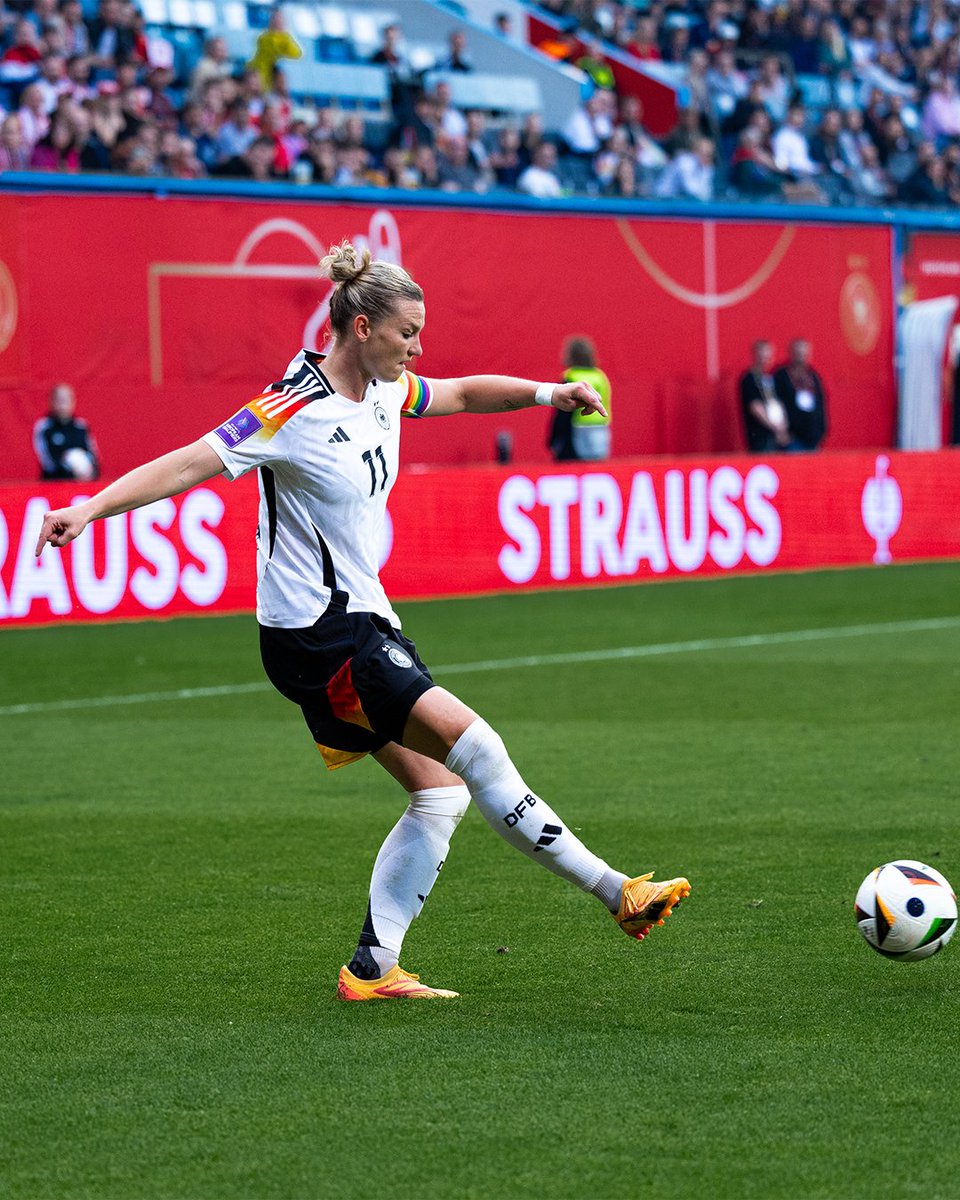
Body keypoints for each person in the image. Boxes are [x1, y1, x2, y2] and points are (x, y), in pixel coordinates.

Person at [35, 242, 690, 1001]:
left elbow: (465, 395)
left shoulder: (388, 390)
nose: (418, 347)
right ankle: (618, 894)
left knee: (439, 792)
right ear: (359, 328)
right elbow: (191, 462)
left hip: (354, 626)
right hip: (321, 636)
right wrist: (88, 507)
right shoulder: (290, 408)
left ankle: (374, 968)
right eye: (407, 332)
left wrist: (551, 392)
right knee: (478, 746)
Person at [549, 335, 612, 462]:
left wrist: (553, 439)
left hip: (575, 433)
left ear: (571, 356)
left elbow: (563, 413)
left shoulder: (571, 377)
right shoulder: (600, 376)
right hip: (600, 432)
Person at [33, 382, 100, 480]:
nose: (62, 404)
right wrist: (68, 469)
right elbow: (47, 462)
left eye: (66, 399)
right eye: (59, 400)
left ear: (73, 401)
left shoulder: (81, 426)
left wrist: (90, 470)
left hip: (83, 484)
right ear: (51, 402)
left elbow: (93, 455)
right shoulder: (44, 427)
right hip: (54, 485)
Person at [774, 339, 828, 451]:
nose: (801, 358)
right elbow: (775, 403)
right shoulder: (781, 376)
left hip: (813, 437)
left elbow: (820, 404)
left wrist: (822, 430)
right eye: (798, 354)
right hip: (792, 438)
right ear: (791, 353)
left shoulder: (813, 376)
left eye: (804, 354)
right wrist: (781, 431)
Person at [739, 340, 793, 452]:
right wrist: (774, 426)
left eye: (769, 357)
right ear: (755, 356)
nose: (766, 360)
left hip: (777, 436)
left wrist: (783, 427)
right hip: (761, 436)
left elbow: (778, 402)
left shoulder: (771, 378)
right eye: (763, 357)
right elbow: (755, 406)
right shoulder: (749, 379)